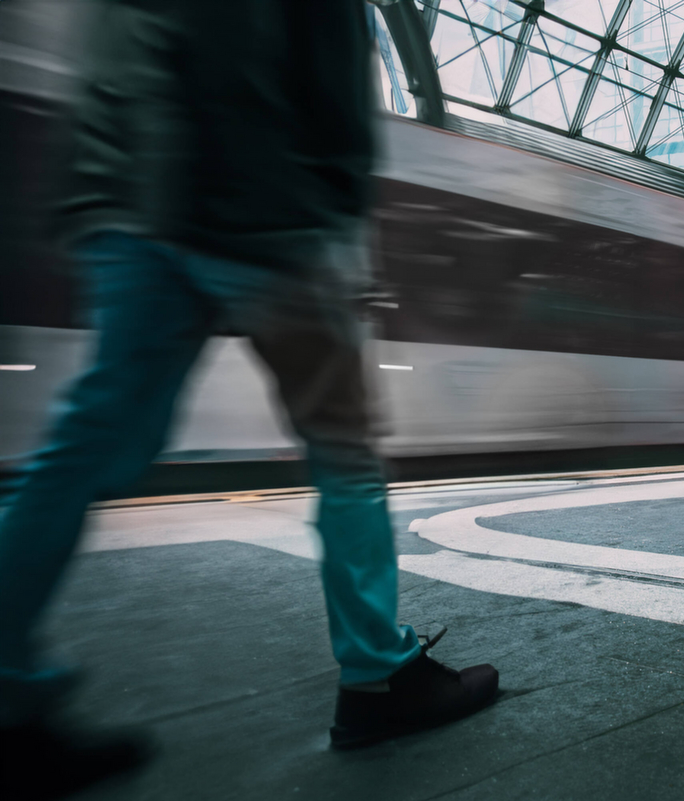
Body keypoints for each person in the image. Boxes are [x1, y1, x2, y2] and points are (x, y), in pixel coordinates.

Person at [0, 2, 496, 797]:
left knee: (85, 449)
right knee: (345, 452)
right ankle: (379, 677)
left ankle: (6, 690)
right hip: (260, 209)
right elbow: (332, 83)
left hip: (126, 203)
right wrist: (335, 214)